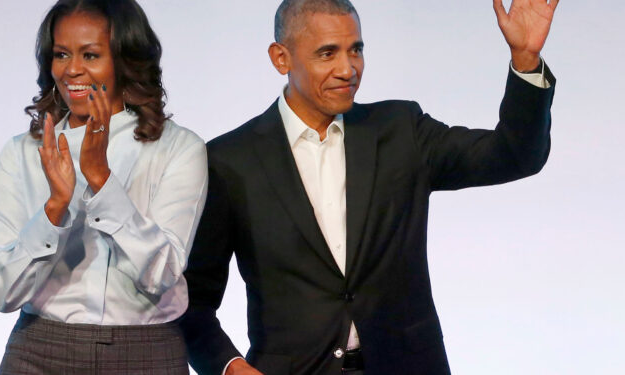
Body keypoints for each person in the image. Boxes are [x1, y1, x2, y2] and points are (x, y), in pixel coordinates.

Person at [179, 0, 557, 374]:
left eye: (355, 50)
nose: (348, 69)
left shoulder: (401, 129)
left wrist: (525, 59)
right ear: (281, 58)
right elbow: (192, 301)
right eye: (327, 53)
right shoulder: (229, 160)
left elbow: (513, 155)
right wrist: (231, 368)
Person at [0, 0, 207, 373]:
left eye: (90, 54)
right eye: (61, 54)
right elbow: (1, 291)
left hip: (145, 352)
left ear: (124, 59)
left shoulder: (179, 148)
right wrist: (54, 209)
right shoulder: (22, 152)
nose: (72, 70)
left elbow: (162, 274)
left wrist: (101, 181)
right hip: (40, 349)